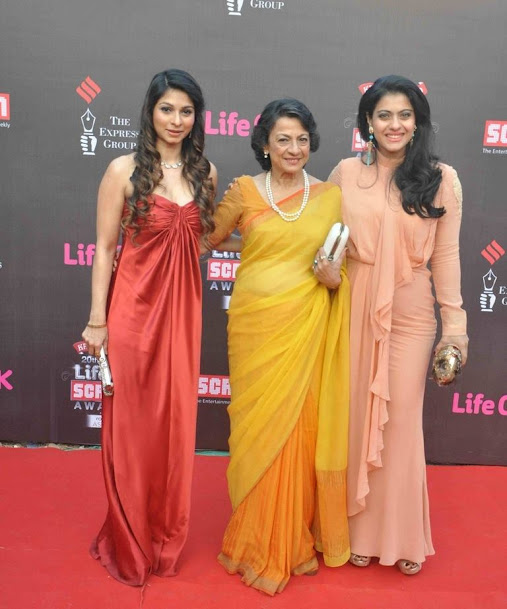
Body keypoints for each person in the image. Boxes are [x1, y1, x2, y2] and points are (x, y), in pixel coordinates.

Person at [326, 75, 468, 575]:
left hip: (409, 311)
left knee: (400, 421)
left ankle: (403, 536)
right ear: (368, 121)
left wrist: (456, 328)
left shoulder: (440, 178)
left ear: (417, 122)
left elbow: (446, 257)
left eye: (404, 115)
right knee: (354, 415)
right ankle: (356, 530)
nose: (394, 124)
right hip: (353, 303)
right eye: (383, 115)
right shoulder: (344, 173)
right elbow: (327, 242)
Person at [208, 99, 351, 595]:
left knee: (297, 431)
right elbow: (209, 238)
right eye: (283, 139)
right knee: (256, 432)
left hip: (306, 327)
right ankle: (252, 538)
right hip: (254, 329)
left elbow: (341, 269)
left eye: (302, 140)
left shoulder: (331, 196)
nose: (294, 149)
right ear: (264, 145)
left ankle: (289, 540)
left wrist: (334, 279)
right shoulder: (244, 191)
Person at [82, 69, 217, 586]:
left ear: (195, 117)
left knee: (175, 428)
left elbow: (200, 241)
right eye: (167, 109)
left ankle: (164, 535)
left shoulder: (205, 173)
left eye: (186, 111)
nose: (176, 120)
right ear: (150, 111)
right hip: (132, 314)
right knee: (134, 430)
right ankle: (129, 534)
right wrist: (98, 319)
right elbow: (104, 249)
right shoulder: (121, 170)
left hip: (183, 315)